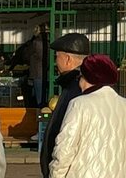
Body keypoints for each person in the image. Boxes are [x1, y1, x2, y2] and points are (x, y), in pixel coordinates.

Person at [49, 54, 126, 178]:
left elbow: (65, 149)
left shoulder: (79, 104)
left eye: (81, 77)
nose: (79, 83)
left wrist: (56, 175)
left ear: (88, 78)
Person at [40, 32, 90, 178]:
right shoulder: (76, 85)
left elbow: (67, 140)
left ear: (68, 59)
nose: (56, 62)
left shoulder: (75, 89)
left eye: (57, 57)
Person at [11, 25, 48, 108]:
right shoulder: (49, 42)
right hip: (46, 72)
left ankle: (37, 112)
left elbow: (26, 56)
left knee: (37, 98)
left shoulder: (35, 43)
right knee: (44, 97)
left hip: (36, 72)